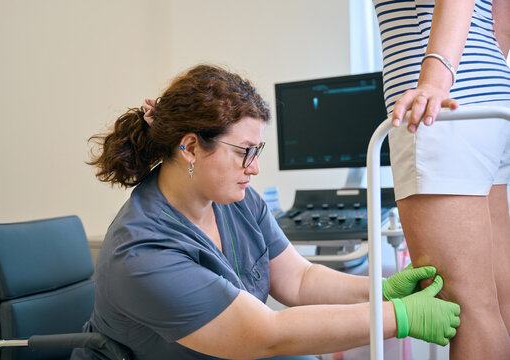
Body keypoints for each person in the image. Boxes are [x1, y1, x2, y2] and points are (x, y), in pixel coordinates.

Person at [71, 64, 460, 360]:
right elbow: (265, 332)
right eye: (245, 152)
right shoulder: (142, 252)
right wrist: (399, 318)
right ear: (190, 147)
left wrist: (378, 290)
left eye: (256, 152)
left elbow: (300, 281)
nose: (254, 168)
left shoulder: (236, 201)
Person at [372, 0, 510, 359]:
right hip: (489, 94)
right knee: (498, 295)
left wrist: (436, 79)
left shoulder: (435, 91)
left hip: (436, 109)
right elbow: (503, 17)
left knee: (466, 309)